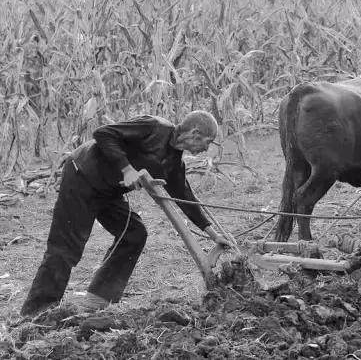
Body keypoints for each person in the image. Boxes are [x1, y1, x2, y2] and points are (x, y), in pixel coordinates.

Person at [20, 111, 229, 316]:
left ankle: (99, 298)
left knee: (134, 234)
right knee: (66, 247)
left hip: (107, 191)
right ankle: (38, 312)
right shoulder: (155, 127)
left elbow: (185, 197)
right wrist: (127, 169)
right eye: (207, 142)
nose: (206, 148)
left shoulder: (173, 162)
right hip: (82, 175)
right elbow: (103, 134)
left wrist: (213, 235)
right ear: (195, 133)